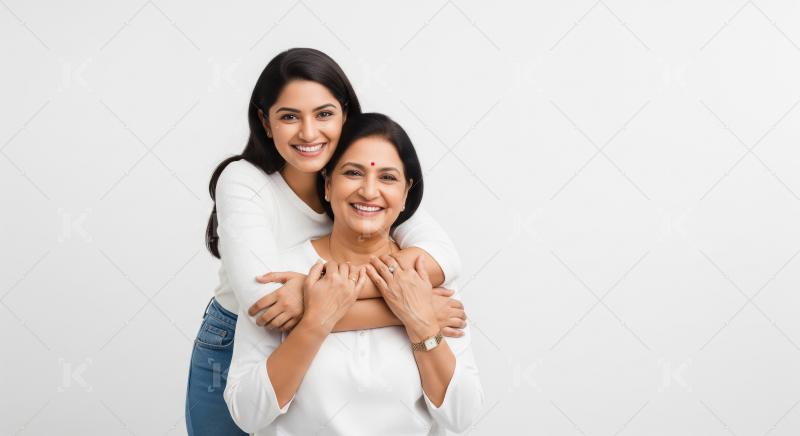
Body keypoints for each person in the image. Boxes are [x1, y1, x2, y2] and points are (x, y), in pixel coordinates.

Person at [186, 48, 467, 436]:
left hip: (312, 330)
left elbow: (442, 260)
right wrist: (415, 314)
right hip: (243, 333)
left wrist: (314, 293)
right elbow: (264, 303)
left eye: (324, 114)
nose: (308, 132)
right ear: (266, 124)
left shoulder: (363, 181)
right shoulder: (244, 181)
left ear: (345, 115)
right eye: (289, 117)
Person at [224, 113, 484, 435]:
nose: (369, 191)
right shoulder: (283, 278)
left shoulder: (426, 281)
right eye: (352, 173)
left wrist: (420, 322)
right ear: (329, 185)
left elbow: (462, 416)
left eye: (387, 178)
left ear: (406, 194)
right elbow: (247, 414)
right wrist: (316, 322)